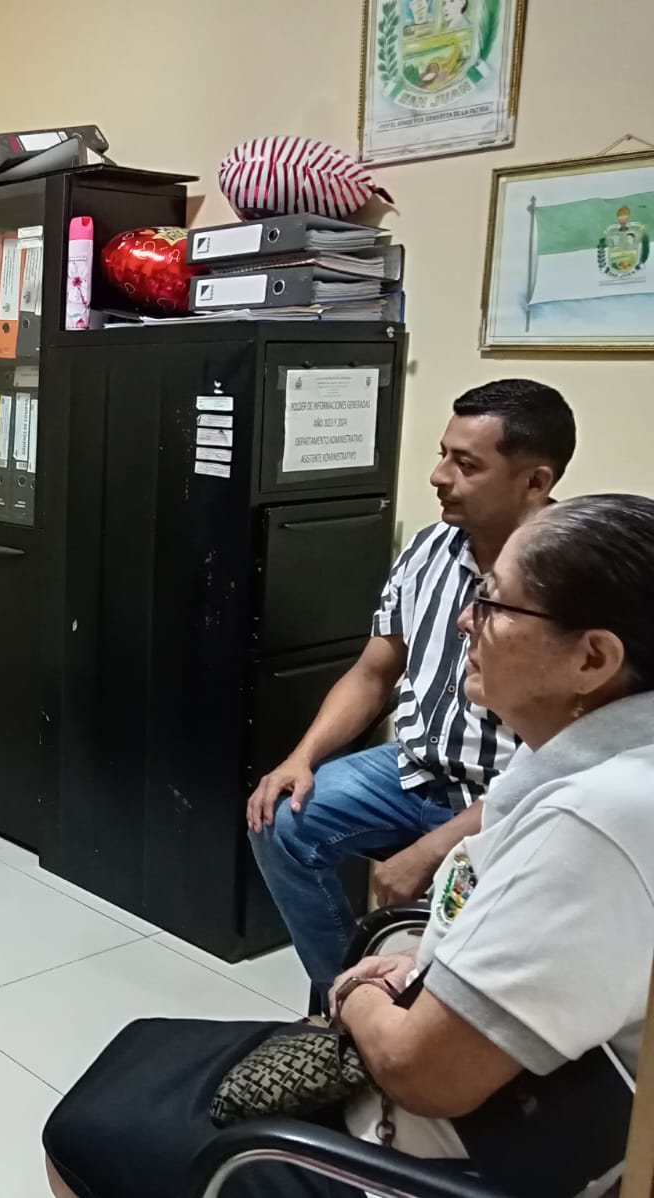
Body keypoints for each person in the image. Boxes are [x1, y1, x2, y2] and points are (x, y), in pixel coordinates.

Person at [45, 493, 654, 1198]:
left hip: (439, 1149)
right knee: (153, 1037)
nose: (467, 619)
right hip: (453, 1002)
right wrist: (416, 963)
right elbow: (375, 674)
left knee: (86, 1131)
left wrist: (355, 992)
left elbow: (422, 1071)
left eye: (492, 604)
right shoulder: (591, 753)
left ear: (592, 657)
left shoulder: (592, 825)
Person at [247, 379, 575, 1000]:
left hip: (510, 795)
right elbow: (374, 672)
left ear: (535, 481)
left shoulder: (574, 578)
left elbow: (562, 762)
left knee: (465, 934)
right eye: (443, 454)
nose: (438, 476)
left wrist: (433, 849)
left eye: (466, 464)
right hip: (412, 769)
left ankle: (418, 1012)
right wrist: (301, 757)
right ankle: (344, 996)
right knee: (280, 819)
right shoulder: (428, 549)